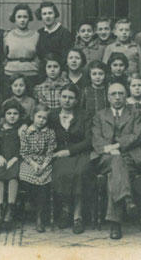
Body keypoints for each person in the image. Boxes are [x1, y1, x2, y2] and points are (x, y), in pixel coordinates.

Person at [91, 82, 141, 240]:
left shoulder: (135, 113)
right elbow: (96, 138)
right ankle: (127, 198)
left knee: (113, 174)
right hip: (105, 157)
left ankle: (115, 224)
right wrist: (109, 149)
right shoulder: (99, 115)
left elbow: (137, 135)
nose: (117, 97)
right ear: (108, 97)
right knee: (115, 162)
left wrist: (118, 146)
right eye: (113, 94)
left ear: (126, 96)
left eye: (121, 93)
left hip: (129, 156)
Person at [48, 84, 95, 234]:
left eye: (71, 97)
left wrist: (69, 151)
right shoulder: (52, 115)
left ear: (76, 100)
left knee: (80, 172)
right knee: (62, 173)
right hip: (59, 153)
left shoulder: (85, 115)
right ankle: (65, 208)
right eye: (64, 97)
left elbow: (89, 140)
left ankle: (77, 215)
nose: (67, 100)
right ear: (59, 98)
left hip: (80, 152)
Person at [19, 104, 57, 233]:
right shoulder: (26, 132)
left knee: (44, 180)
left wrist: (44, 165)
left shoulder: (50, 133)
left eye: (44, 118)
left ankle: (40, 217)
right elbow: (24, 152)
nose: (41, 120)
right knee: (27, 176)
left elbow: (50, 152)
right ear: (32, 116)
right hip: (30, 161)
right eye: (39, 117)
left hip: (45, 162)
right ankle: (32, 206)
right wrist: (34, 164)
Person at [0, 101, 24, 230]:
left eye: (15, 114)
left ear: (19, 115)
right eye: (9, 113)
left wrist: (15, 158)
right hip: (0, 158)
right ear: (4, 115)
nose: (12, 116)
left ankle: (10, 208)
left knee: (13, 175)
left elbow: (23, 147)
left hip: (15, 159)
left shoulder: (20, 130)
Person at [3, 4, 39, 96]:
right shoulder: (7, 35)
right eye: (19, 17)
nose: (22, 20)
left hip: (31, 74)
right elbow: (3, 54)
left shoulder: (36, 35)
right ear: (14, 18)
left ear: (29, 18)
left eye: (25, 17)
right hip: (11, 74)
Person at [35, 1, 74, 72]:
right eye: (44, 14)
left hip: (60, 72)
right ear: (41, 16)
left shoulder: (64, 33)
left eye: (50, 13)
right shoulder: (39, 33)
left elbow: (66, 57)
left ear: (55, 14)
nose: (47, 16)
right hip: (43, 72)